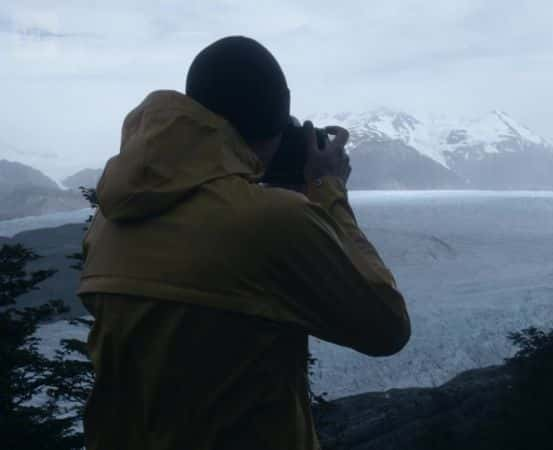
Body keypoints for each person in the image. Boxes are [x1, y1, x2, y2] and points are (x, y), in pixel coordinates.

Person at [77, 36, 411, 450]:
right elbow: (387, 328)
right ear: (273, 120)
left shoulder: (108, 221)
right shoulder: (271, 222)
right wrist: (327, 190)